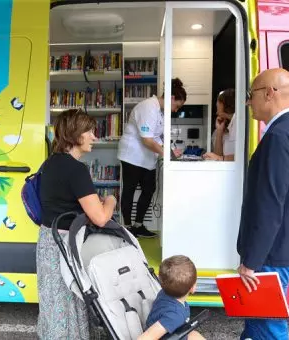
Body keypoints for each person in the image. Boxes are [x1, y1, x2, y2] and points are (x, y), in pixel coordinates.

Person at [236, 68, 289, 339]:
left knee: (268, 329)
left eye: (252, 95)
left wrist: (252, 261)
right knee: (258, 324)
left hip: (271, 254)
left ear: (269, 93)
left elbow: (270, 206)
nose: (249, 102)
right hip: (284, 247)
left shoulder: (278, 137)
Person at [36, 109, 117, 339]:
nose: (94, 136)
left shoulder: (50, 163)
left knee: (55, 302)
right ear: (74, 134)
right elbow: (101, 217)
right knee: (71, 299)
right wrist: (111, 200)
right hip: (66, 245)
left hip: (47, 240)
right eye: (89, 131)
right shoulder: (76, 169)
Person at [117, 78, 187, 238]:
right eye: (177, 106)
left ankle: (138, 225)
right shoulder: (149, 106)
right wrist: (167, 154)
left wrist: (170, 151)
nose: (176, 110)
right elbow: (147, 139)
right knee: (130, 189)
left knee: (149, 189)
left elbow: (156, 137)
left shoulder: (160, 111)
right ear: (172, 98)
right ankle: (127, 228)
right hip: (132, 155)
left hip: (147, 157)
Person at [139, 255, 205, 340]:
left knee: (193, 334)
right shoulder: (174, 315)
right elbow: (147, 337)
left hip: (175, 333)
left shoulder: (164, 292)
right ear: (192, 288)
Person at [203, 88, 236, 161]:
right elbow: (217, 157)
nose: (216, 104)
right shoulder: (230, 123)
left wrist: (220, 158)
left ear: (223, 103)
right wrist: (219, 130)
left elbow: (243, 156)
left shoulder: (238, 122)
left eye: (218, 101)